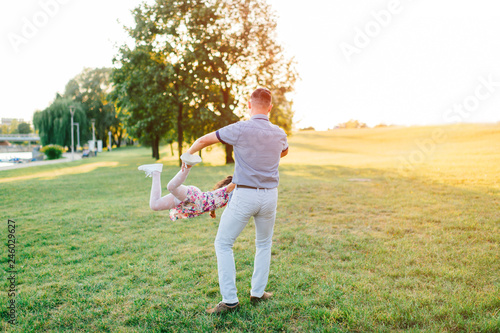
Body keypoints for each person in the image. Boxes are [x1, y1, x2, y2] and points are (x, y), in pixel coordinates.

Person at [182, 87, 289, 314]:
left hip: (245, 195)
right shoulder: (279, 133)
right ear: (270, 107)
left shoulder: (240, 128)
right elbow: (283, 152)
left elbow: (203, 140)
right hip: (270, 196)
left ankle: (230, 300)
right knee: (264, 243)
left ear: (249, 105)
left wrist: (188, 157)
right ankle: (257, 293)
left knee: (223, 243)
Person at [138, 160, 235, 221]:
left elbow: (213, 205)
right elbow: (237, 181)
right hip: (195, 197)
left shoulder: (224, 199)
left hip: (189, 204)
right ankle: (188, 166)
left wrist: (212, 212)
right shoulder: (226, 192)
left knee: (154, 205)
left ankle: (156, 171)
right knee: (171, 187)